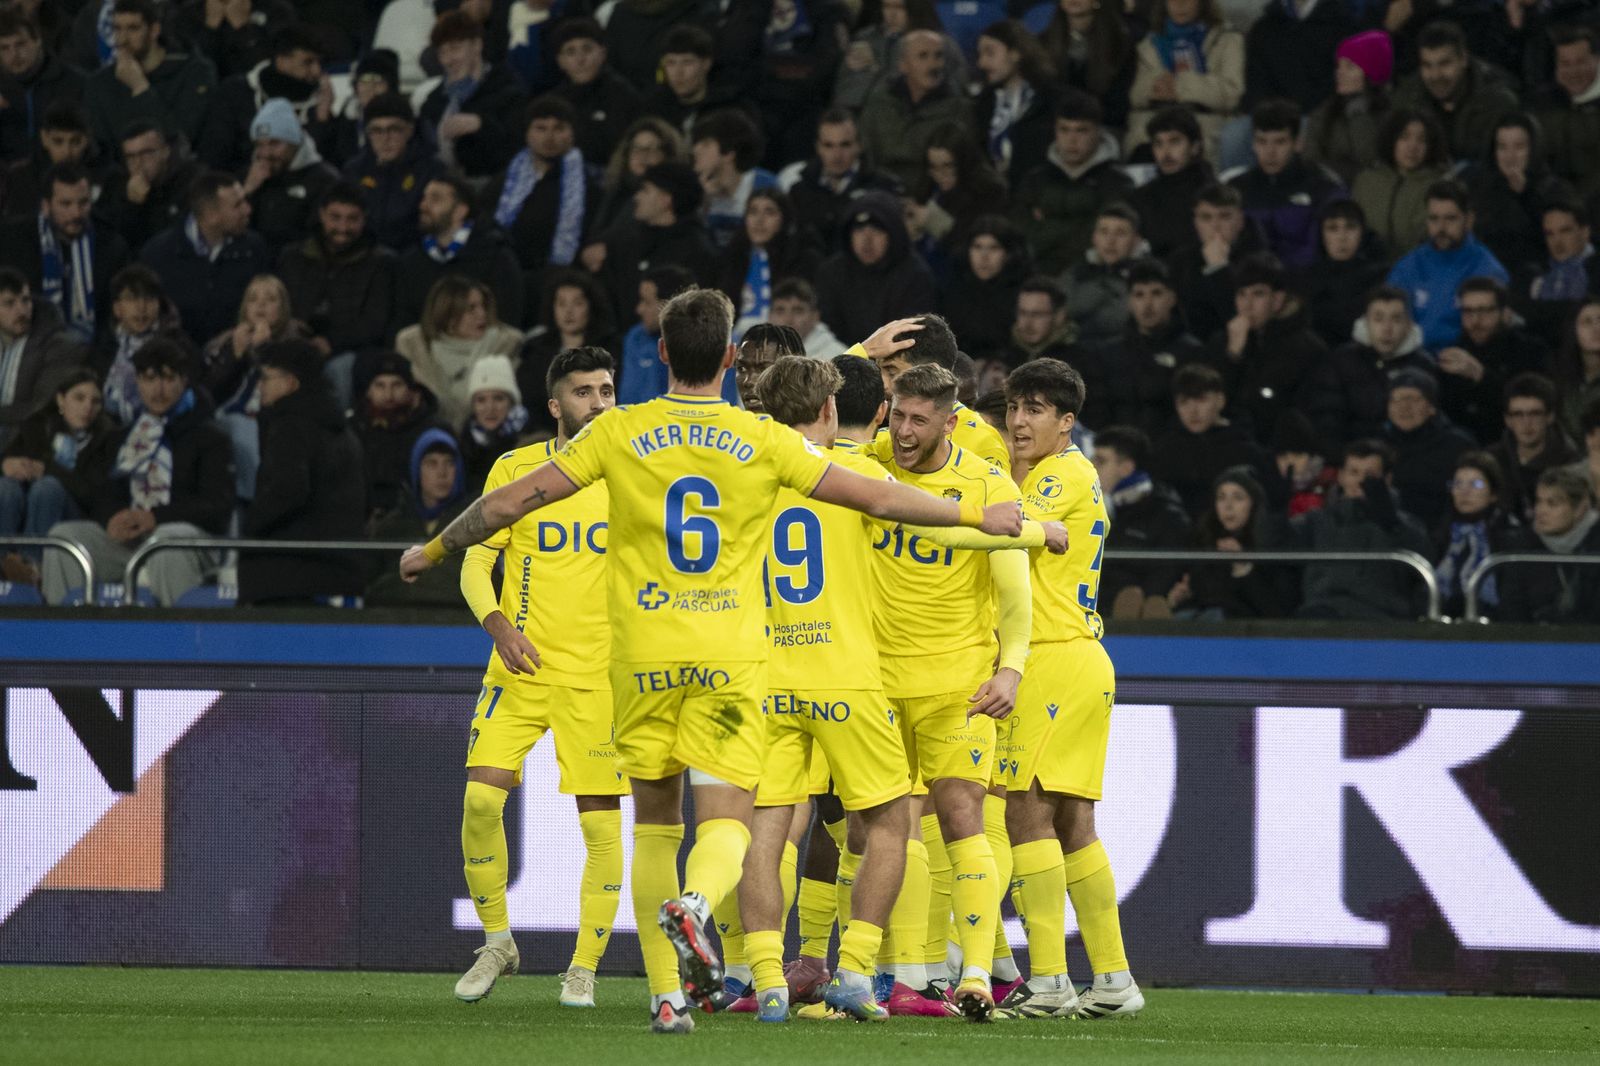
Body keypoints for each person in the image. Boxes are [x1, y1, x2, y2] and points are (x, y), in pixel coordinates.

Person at [397, 287, 1026, 1034]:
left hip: (639, 660)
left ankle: (674, 995)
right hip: (734, 662)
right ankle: (703, 908)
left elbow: (507, 504)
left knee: (658, 827)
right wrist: (979, 515)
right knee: (738, 823)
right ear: (731, 359)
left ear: (661, 353)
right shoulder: (762, 440)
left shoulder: (618, 431)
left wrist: (433, 549)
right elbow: (877, 493)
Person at [451, 345, 626, 1009]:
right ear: (556, 405)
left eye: (607, 389)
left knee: (602, 829)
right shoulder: (518, 468)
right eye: (584, 392)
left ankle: (583, 967)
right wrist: (498, 624)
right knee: (478, 802)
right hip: (519, 669)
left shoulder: (631, 471)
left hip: (597, 677)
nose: (599, 403)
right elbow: (473, 561)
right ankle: (498, 940)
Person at [998, 357, 1143, 1019]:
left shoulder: (1065, 472)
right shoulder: (1053, 472)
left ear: (1066, 422)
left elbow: (1001, 530)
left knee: (1024, 811)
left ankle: (1050, 978)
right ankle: (1113, 980)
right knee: (1074, 822)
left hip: (1055, 657)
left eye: (1035, 409)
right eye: (1013, 407)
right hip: (1078, 655)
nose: (1019, 421)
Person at [42, 337, 233, 606]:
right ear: (138, 382)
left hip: (184, 538)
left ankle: (180, 641)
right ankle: (63, 641)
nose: (158, 389)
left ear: (183, 381)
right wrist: (113, 518)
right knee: (65, 538)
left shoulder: (209, 438)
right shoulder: (121, 438)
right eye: (149, 379)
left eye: (167, 378)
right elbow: (101, 494)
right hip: (129, 541)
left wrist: (155, 517)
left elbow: (217, 506)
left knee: (166, 542)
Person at [238, 339, 364, 605]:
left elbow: (288, 489)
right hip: (337, 571)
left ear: (290, 383)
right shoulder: (339, 427)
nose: (259, 386)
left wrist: (249, 527)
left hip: (288, 576)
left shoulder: (291, 426)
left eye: (265, 378)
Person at [1286, 439, 1432, 621]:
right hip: (1321, 615)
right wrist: (1274, 511)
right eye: (1353, 472)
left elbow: (1422, 561)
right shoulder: (1316, 520)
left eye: (1369, 474)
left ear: (1387, 479)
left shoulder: (1406, 524)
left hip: (1381, 620)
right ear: (1341, 476)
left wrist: (1392, 526)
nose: (1360, 481)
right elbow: (1276, 542)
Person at [0, 368, 117, 585]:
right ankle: (4, 563)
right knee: (6, 487)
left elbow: (93, 494)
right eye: (79, 398)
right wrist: (6, 464)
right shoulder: (37, 426)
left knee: (48, 487)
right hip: (28, 508)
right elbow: (8, 460)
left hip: (78, 516)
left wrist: (48, 470)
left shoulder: (108, 439)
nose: (87, 407)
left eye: (96, 401)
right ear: (61, 400)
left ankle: (33, 568)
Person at [485, 95, 599, 315]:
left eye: (559, 128)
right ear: (527, 133)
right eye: (541, 128)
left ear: (572, 133)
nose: (549, 136)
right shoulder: (506, 180)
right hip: (509, 273)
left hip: (562, 279)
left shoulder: (589, 183)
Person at [277, 182, 396, 391]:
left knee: (340, 369)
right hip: (294, 342)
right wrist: (287, 324)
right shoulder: (293, 257)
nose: (343, 228)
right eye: (335, 217)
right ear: (322, 214)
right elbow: (278, 303)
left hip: (349, 352)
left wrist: (331, 342)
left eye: (352, 219)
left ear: (364, 219)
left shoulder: (381, 263)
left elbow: (375, 322)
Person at [201, 271, 308, 500]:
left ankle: (252, 500)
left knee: (245, 426)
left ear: (283, 307)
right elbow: (209, 394)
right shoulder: (224, 343)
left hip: (273, 417)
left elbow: (291, 390)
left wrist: (264, 350)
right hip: (227, 415)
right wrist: (235, 357)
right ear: (244, 307)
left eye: (270, 299)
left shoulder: (298, 344)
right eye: (253, 299)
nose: (260, 305)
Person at [0, 162, 130, 345]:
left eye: (83, 203)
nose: (76, 213)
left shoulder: (110, 247)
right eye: (65, 204)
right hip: (24, 349)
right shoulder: (12, 242)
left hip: (92, 353)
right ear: (46, 205)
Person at [139, 169, 272, 346]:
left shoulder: (254, 248)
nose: (248, 209)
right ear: (211, 215)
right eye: (237, 205)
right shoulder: (157, 254)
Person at [1210, 252, 1328, 446]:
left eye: (1258, 294)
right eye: (1241, 294)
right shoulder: (1222, 341)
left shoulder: (1307, 348)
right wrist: (1232, 357)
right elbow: (1212, 402)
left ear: (1278, 299)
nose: (1247, 305)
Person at [1013, 90, 1133, 276]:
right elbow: (1020, 235)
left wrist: (1048, 226)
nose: (1072, 140)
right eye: (1064, 129)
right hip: (1035, 278)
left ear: (1098, 132)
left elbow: (1103, 240)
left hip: (1093, 279)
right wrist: (1078, 224)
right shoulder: (1035, 179)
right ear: (1055, 131)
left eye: (1081, 130)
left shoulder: (1117, 182)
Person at [590, 160, 717, 335]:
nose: (637, 197)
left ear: (666, 200)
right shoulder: (627, 241)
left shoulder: (698, 252)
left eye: (645, 190)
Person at [1306, 284, 1437, 452]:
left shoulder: (1423, 365)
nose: (1387, 329)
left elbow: (1432, 423)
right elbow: (1326, 418)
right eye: (1378, 319)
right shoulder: (1341, 361)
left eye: (1396, 319)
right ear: (1365, 322)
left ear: (1409, 324)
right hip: (1352, 458)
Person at [392, 172, 524, 333]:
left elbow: (508, 319)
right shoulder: (411, 260)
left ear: (460, 211)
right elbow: (402, 320)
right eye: (424, 198)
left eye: (435, 199)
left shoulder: (496, 256)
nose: (423, 206)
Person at [82, 0, 215, 157]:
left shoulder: (194, 72)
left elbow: (181, 141)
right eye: (117, 28)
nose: (122, 39)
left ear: (154, 30)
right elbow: (102, 153)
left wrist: (140, 88)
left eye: (133, 28)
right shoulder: (99, 84)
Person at [1386, 179, 1510, 350]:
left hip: (1462, 362)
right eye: (1434, 219)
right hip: (1411, 360)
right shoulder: (1407, 266)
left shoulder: (1488, 271)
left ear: (1469, 220)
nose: (1441, 228)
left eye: (1450, 219)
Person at [1088, 424, 1191, 621]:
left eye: (1100, 461)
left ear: (1126, 468)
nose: (1091, 466)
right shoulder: (1100, 509)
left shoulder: (1166, 514)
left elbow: (1167, 571)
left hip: (1141, 616)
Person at [1228, 99, 1344, 272]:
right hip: (1249, 287)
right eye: (1262, 141)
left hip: (1305, 283)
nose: (1270, 152)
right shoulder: (1235, 189)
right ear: (1253, 144)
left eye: (1280, 142)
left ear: (1298, 143)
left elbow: (1323, 252)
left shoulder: (1324, 186)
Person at [1167, 465, 1295, 620]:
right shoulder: (1204, 540)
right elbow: (1203, 599)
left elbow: (1277, 612)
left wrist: (1243, 568)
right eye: (1221, 498)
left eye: (1238, 498)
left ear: (1253, 504)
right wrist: (1180, 599)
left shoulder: (1272, 544)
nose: (1228, 506)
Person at [396, 275, 523, 431]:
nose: (481, 314)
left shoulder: (505, 346)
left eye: (483, 306)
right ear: (447, 313)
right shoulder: (415, 348)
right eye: (471, 308)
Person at [1125, 0, 1244, 163]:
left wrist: (1180, 87)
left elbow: (1232, 94)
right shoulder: (1149, 44)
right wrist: (1154, 87)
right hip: (1156, 116)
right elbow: (1135, 95)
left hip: (1205, 119)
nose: (1180, 4)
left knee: (1195, 142)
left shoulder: (1227, 40)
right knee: (1142, 140)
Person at [1436, 277, 1552, 442]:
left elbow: (1532, 406)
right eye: (1468, 311)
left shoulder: (1530, 350)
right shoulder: (1453, 354)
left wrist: (1481, 376)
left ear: (1504, 313)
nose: (1475, 321)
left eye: (1484, 311)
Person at [1147, 362, 1272, 516]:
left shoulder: (1246, 452)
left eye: (1201, 400)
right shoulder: (1165, 449)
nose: (1192, 411)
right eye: (1183, 402)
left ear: (1220, 401)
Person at [814, 192, 936, 350]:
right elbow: (827, 330)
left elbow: (912, 337)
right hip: (840, 361)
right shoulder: (831, 272)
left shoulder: (916, 276)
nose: (867, 240)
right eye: (859, 231)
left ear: (894, 234)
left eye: (877, 231)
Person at [857, 28, 973, 193]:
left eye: (938, 56)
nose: (933, 64)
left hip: (932, 200)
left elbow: (964, 170)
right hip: (881, 195)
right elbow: (864, 156)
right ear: (903, 65)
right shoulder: (879, 103)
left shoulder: (960, 110)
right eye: (923, 56)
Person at [1465, 112, 1576, 285]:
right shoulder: (1481, 189)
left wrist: (1526, 195)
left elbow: (1558, 243)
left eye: (1519, 147)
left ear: (1534, 149)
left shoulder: (1555, 190)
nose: (1510, 157)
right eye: (1502, 147)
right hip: (1486, 282)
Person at [1100, 258, 1207, 436]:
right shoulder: (1109, 353)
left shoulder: (1192, 352)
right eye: (1139, 295)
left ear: (1172, 298)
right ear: (1129, 301)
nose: (1147, 304)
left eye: (1156, 293)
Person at [198, 24, 325, 172]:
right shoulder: (235, 93)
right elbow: (213, 157)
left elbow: (324, 164)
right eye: (308, 62)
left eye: (319, 62)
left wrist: (321, 121)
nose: (317, 71)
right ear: (282, 60)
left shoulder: (324, 99)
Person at [777, 107, 902, 256]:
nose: (837, 155)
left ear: (859, 146)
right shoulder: (799, 192)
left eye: (845, 145)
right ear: (818, 147)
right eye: (828, 145)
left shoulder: (883, 188)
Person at [418, 11, 528, 180]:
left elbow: (519, 152)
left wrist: (481, 125)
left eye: (455, 48)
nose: (448, 59)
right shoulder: (434, 101)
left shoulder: (509, 91)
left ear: (477, 45)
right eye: (442, 52)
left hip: (495, 188)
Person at [366, 428, 469, 605]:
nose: (442, 473)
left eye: (449, 463)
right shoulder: (391, 527)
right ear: (416, 469)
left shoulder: (472, 524)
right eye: (432, 463)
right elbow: (372, 585)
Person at [1391, 21, 1519, 163]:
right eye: (1427, 65)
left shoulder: (1497, 101)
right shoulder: (1408, 97)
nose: (1435, 75)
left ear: (1463, 59)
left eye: (1444, 64)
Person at [340, 92, 447, 253]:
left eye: (394, 129)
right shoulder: (354, 171)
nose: (385, 138)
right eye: (376, 130)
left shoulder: (432, 171)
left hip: (415, 258)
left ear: (410, 130)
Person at [0, 267, 88, 454]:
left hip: (30, 436)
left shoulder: (58, 344)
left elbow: (40, 406)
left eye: (25, 300)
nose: (21, 310)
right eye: (9, 304)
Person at [1497, 466, 1600, 624]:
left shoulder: (1595, 545)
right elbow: (1512, 608)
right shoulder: (1523, 546)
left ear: (1580, 509)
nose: (1541, 510)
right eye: (1539, 501)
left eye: (1552, 504)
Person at [517, 270, 617, 432]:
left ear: (591, 306)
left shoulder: (610, 348)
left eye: (577, 303)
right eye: (561, 303)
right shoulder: (536, 348)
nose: (568, 311)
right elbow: (529, 398)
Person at [239, 97, 339, 257]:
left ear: (295, 142)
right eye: (260, 145)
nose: (266, 153)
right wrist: (247, 192)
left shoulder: (324, 180)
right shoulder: (249, 177)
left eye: (274, 143)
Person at [1165, 182, 1263, 343]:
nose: (1215, 226)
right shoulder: (1179, 261)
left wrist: (1219, 269)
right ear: (1196, 223)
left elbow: (1243, 319)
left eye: (1224, 216)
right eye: (1206, 218)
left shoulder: (1258, 262)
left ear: (1240, 221)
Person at [354, 352, 447, 522]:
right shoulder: (354, 429)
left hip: (416, 520)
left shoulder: (432, 431)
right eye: (380, 385)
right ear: (368, 391)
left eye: (397, 385)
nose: (388, 394)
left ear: (411, 391)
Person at [1432, 451, 1524, 619]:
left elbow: (1513, 598)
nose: (1464, 492)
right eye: (1457, 484)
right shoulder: (1441, 535)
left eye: (1476, 484)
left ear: (1494, 493)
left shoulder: (1511, 536)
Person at [1381, 369, 1478, 528]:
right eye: (1396, 399)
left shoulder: (1458, 446)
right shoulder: (1377, 445)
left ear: (1432, 407)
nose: (1404, 407)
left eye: (1413, 399)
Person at [717, 189, 818, 340]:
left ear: (784, 219)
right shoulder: (732, 258)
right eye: (753, 212)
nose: (759, 220)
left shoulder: (801, 261)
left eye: (769, 212)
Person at [92, 120, 202, 255]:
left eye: (146, 153)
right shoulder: (116, 185)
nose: (138, 163)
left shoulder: (192, 181)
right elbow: (112, 240)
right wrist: (132, 205)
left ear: (165, 152)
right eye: (131, 157)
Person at [1351, 108, 1450, 257]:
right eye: (1404, 137)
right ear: (1391, 140)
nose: (1413, 146)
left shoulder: (1441, 187)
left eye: (1422, 140)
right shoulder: (1366, 182)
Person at [972, 20, 1059, 188]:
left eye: (990, 53)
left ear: (1016, 53)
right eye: (980, 54)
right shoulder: (984, 103)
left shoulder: (1051, 100)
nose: (981, 63)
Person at [1305, 29, 1394, 187]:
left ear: (1370, 73)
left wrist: (1358, 115)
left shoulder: (1390, 114)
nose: (1340, 73)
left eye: (1350, 67)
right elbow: (1310, 159)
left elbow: (1370, 159)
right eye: (1339, 66)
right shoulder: (1326, 111)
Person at [1488, 372, 1582, 521]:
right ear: (1508, 420)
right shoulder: (1492, 460)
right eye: (1518, 414)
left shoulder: (1570, 463)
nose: (1527, 423)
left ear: (1550, 416)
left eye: (1535, 413)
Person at [550, 17, 643, 166]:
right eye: (570, 52)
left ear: (602, 54)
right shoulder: (553, 103)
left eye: (587, 49)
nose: (580, 59)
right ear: (561, 61)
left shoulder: (624, 97)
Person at [941, 216, 1031, 366]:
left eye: (994, 248)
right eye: (977, 247)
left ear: (1008, 254)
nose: (984, 256)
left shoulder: (1025, 292)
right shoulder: (953, 288)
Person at [1128, 106, 1215, 261]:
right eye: (1158, 144)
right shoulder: (1140, 198)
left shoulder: (1214, 195)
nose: (1166, 153)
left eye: (1175, 142)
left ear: (1195, 147)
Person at [1063, 203, 1147, 360]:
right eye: (1104, 232)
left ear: (1136, 240)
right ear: (1094, 237)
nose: (1110, 241)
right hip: (1075, 353)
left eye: (1120, 233)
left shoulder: (1147, 275)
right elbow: (1060, 310)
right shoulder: (1076, 272)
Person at [1302, 198, 1390, 348]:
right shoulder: (1307, 278)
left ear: (1362, 232)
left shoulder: (1380, 276)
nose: (1342, 237)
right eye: (1332, 228)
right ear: (1321, 235)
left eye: (1350, 227)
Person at [0, 10, 85, 163]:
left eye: (20, 44)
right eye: (4, 48)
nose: (14, 55)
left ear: (37, 40)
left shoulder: (74, 82)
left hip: (60, 171)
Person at [1036, 0, 1136, 132]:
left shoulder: (1119, 43)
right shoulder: (1043, 43)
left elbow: (1118, 102)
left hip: (1104, 125)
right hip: (1055, 126)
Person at [1529, 24, 1600, 204]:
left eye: (1581, 62)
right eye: (1565, 64)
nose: (1573, 72)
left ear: (1597, 60)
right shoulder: (1541, 102)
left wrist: (1572, 204)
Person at [690, 109, 778, 253]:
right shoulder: (697, 189)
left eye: (706, 144)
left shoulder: (764, 185)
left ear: (729, 153)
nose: (695, 151)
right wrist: (704, 204)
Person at [0, 102, 93, 227]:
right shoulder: (22, 177)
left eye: (75, 141)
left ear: (87, 139)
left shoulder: (107, 176)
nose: (67, 151)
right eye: (58, 141)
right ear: (44, 138)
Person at [618, 263, 695, 405]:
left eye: (646, 302)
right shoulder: (636, 338)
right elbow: (627, 400)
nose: (639, 309)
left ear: (668, 306)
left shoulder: (705, 343)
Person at [1525, 203, 1597, 343]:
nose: (1557, 241)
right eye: (1550, 234)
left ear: (1585, 232)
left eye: (1565, 231)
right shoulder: (1539, 277)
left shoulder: (1594, 270)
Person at [457, 355, 529, 490]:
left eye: (498, 398)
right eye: (481, 400)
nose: (490, 408)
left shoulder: (532, 442)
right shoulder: (463, 444)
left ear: (512, 402)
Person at [1001, 276, 1079, 371]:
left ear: (1059, 316)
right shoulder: (1002, 359)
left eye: (1037, 314)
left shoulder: (1078, 364)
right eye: (1023, 313)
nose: (1028, 323)